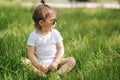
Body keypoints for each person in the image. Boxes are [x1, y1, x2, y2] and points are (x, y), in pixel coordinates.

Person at [22, 0, 76, 79]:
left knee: (72, 60)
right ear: (41, 22)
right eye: (52, 21)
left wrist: (56, 62)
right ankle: (42, 75)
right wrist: (39, 65)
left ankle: (56, 74)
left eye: (55, 20)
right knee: (24, 61)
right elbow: (31, 54)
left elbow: (60, 48)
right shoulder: (33, 36)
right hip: (40, 64)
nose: (55, 23)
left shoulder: (55, 33)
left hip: (54, 62)